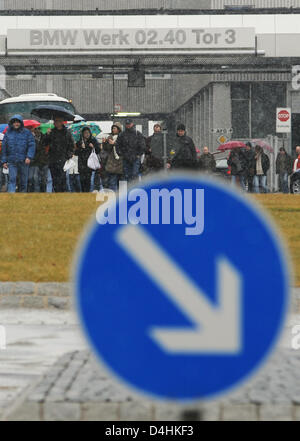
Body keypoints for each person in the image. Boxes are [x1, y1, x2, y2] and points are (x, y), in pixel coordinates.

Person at [1, 114, 36, 193]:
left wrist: (29, 157)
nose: (16, 124)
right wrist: (4, 161)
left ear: (21, 123)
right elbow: (4, 148)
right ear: (12, 123)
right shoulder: (8, 133)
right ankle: (11, 197)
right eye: (14, 122)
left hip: (24, 160)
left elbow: (31, 145)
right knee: (12, 179)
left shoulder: (27, 133)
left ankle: (22, 196)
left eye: (18, 122)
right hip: (12, 161)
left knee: (24, 181)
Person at [43, 117, 75, 192]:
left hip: (63, 159)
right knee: (55, 179)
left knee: (62, 179)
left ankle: (62, 193)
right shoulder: (51, 132)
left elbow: (72, 145)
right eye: (55, 121)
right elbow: (45, 143)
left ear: (61, 122)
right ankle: (57, 193)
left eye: (57, 121)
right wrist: (47, 135)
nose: (55, 123)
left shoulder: (67, 132)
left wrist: (69, 155)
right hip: (53, 159)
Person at [75, 126, 100, 192]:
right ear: (83, 134)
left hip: (90, 165)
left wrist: (93, 146)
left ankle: (89, 194)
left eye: (88, 133)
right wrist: (81, 148)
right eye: (85, 133)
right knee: (82, 182)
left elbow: (98, 150)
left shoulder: (93, 140)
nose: (87, 134)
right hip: (81, 165)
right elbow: (75, 153)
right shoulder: (79, 142)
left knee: (89, 182)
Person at [28, 127, 53, 193]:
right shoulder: (31, 139)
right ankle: (37, 192)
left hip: (44, 161)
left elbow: (49, 142)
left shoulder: (44, 137)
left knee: (44, 180)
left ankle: (43, 192)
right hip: (36, 162)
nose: (37, 131)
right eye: (35, 129)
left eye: (38, 129)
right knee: (35, 179)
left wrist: (48, 134)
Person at [103, 122, 123, 192]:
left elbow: (124, 147)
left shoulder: (122, 137)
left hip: (120, 161)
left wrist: (115, 144)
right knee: (112, 181)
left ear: (118, 129)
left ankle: (121, 196)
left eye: (114, 128)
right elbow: (107, 149)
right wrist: (105, 143)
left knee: (121, 182)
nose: (113, 130)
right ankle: (114, 195)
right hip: (112, 162)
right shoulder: (110, 137)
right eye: (112, 128)